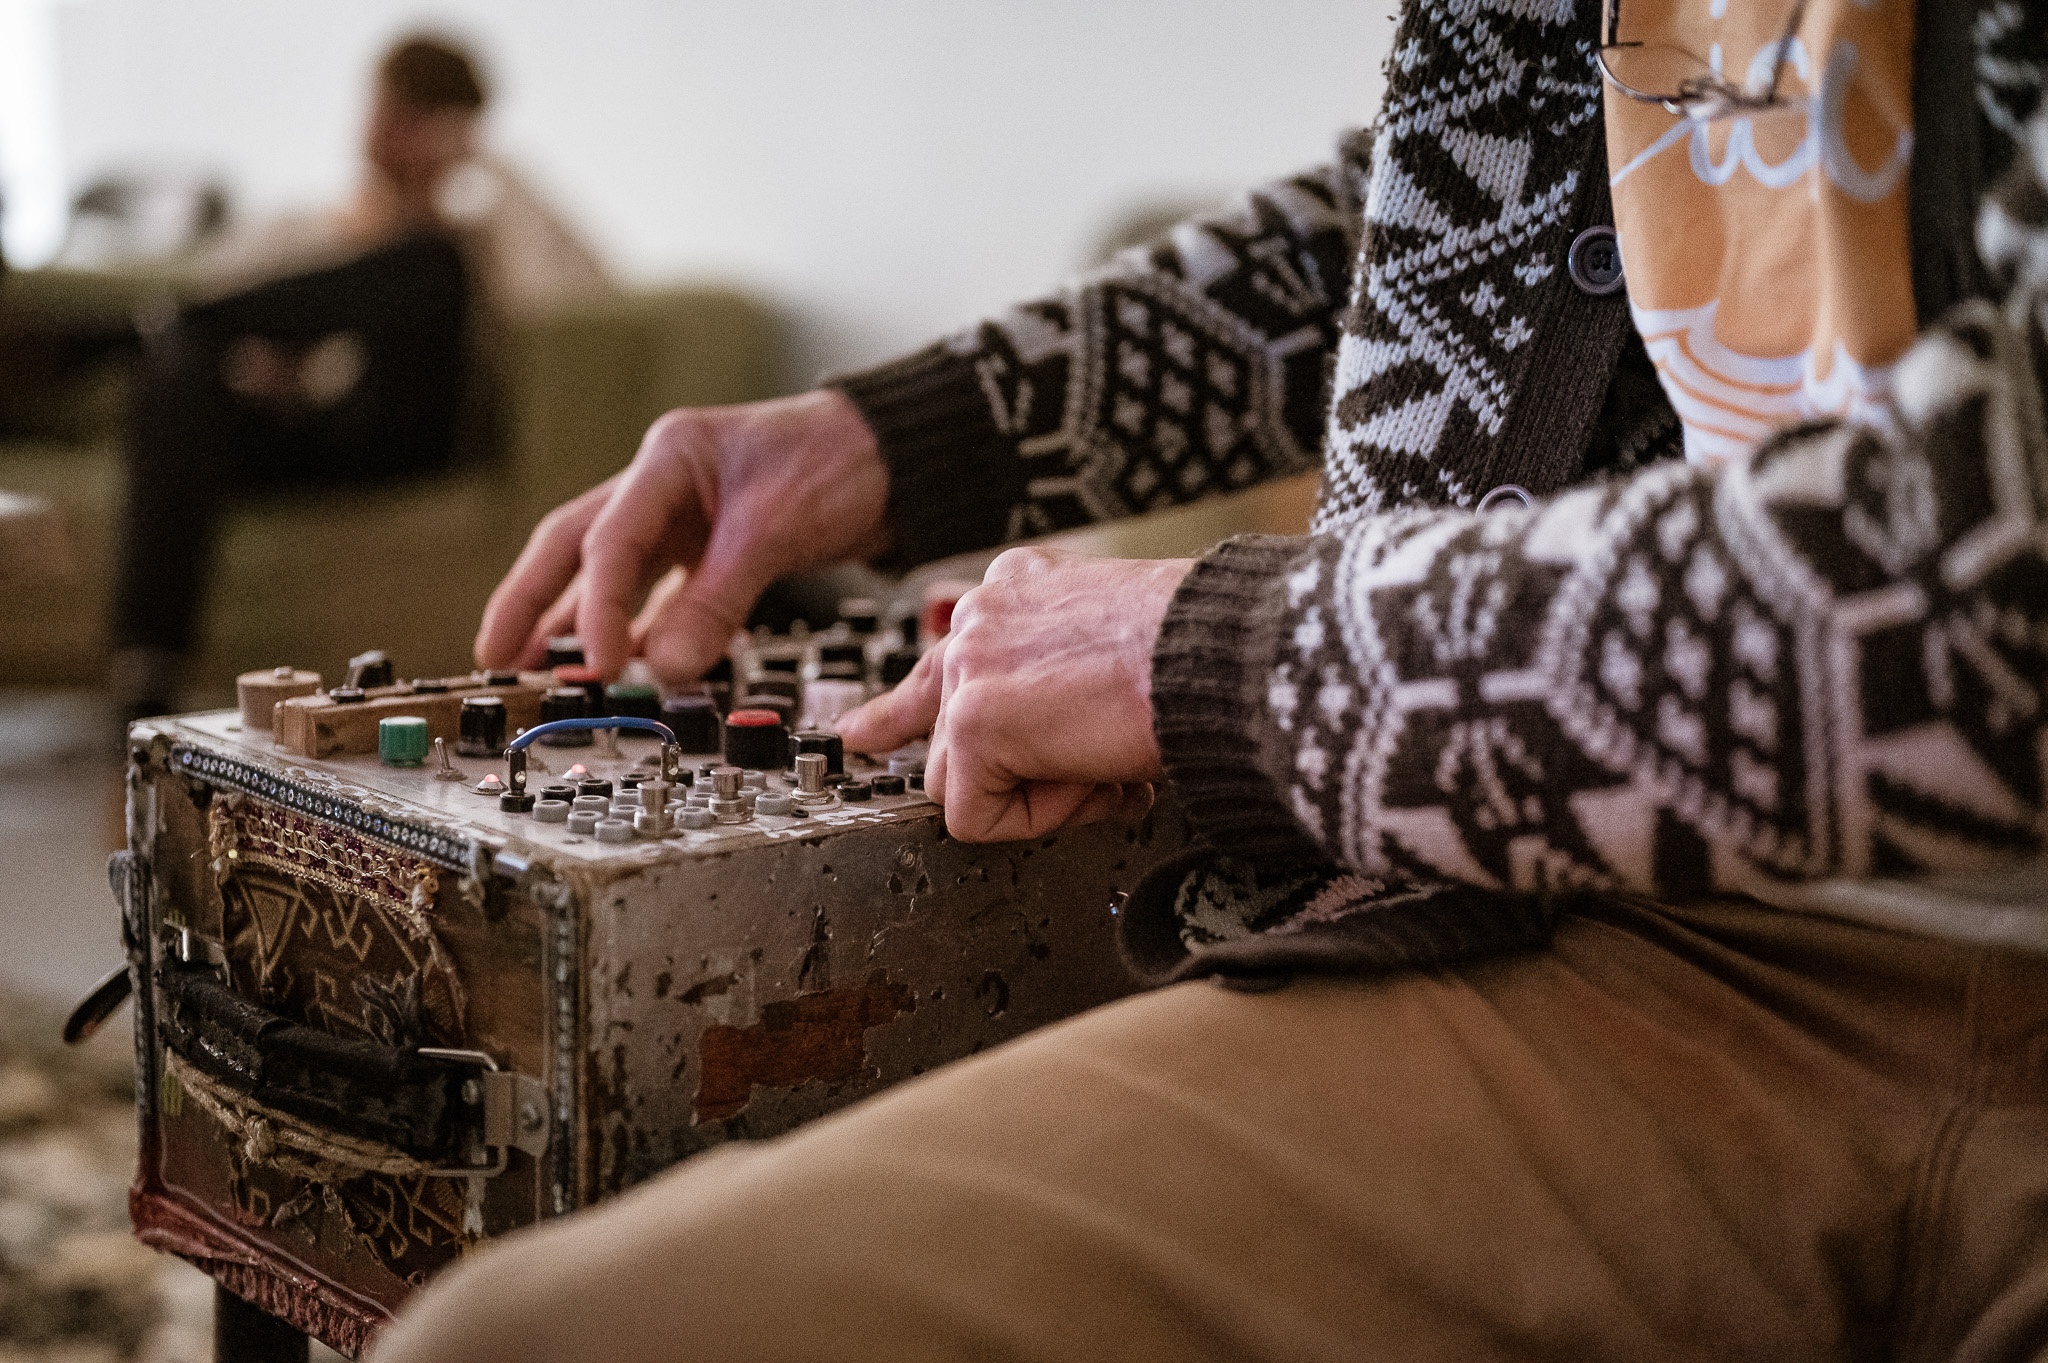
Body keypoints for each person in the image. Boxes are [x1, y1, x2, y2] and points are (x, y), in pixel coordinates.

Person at [380, 1, 2048, 1358]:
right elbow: (1478, 216)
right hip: (1642, 932)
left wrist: (1211, 659)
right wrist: (897, 442)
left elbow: (1999, 574)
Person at [108, 34, 611, 721]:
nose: (385, 132)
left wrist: (491, 165)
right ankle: (147, 662)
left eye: (415, 119)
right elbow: (193, 337)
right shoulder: (308, 226)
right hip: (313, 431)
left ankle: (150, 331)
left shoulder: (479, 239)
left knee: (424, 265)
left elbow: (587, 291)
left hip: (407, 436)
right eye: (384, 110)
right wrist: (260, 363)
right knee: (178, 365)